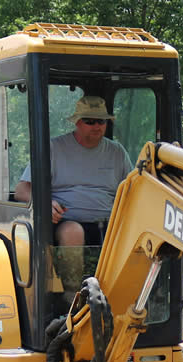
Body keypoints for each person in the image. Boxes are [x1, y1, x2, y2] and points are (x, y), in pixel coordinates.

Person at [14, 96, 134, 290]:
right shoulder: (54, 148)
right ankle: (73, 295)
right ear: (77, 122)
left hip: (109, 223)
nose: (97, 126)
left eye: (101, 121)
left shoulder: (117, 152)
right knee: (73, 232)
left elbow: (131, 190)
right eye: (90, 121)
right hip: (65, 221)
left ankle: (127, 294)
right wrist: (44, 203)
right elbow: (22, 190)